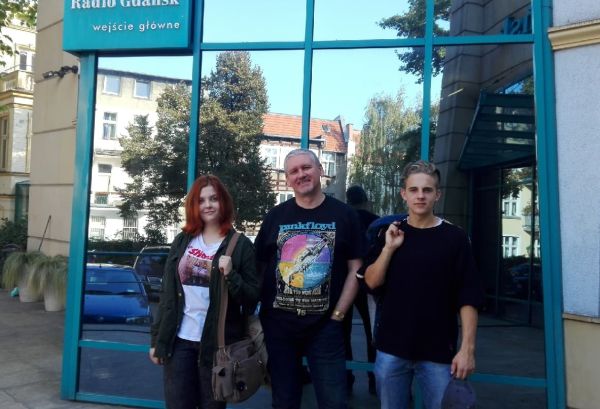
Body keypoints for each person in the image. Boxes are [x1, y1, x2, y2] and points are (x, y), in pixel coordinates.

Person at [359, 160, 484, 409]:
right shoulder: (389, 233)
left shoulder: (455, 238)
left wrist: (467, 349)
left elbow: (468, 295)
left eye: (427, 190)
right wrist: (389, 249)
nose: (420, 196)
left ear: (437, 195)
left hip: (438, 351)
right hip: (392, 348)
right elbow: (371, 283)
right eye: (413, 190)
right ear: (403, 194)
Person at [255, 148, 364, 409]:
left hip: (326, 328)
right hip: (279, 328)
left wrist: (338, 315)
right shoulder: (276, 216)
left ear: (320, 170)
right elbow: (258, 268)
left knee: (333, 402)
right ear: (288, 179)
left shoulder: (345, 215)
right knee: (284, 402)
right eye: (294, 171)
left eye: (306, 167)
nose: (301, 174)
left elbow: (356, 269)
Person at [149, 175, 261, 409]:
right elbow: (168, 294)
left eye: (214, 199)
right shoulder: (183, 241)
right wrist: (158, 340)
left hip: (217, 347)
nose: (207, 205)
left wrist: (231, 275)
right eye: (201, 200)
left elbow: (252, 297)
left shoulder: (240, 245)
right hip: (180, 342)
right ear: (194, 205)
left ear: (223, 202)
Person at [344, 185, 378, 394]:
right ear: (365, 200)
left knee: (343, 331)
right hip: (369, 282)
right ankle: (374, 380)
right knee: (371, 330)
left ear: (348, 200)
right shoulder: (376, 221)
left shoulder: (344, 219)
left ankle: (346, 380)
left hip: (346, 282)